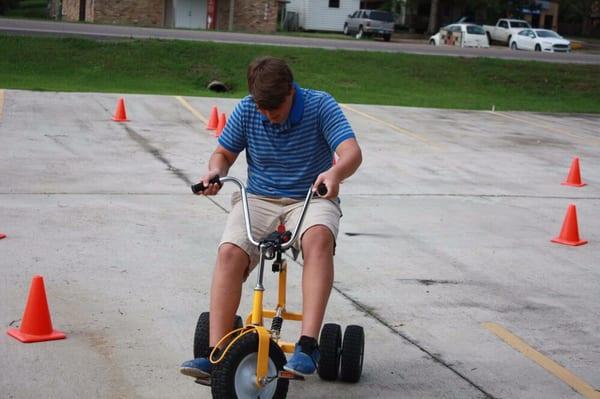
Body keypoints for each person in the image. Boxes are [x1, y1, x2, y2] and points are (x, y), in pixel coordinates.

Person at [180, 56, 362, 385]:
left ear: (291, 91)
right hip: (259, 198)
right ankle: (216, 355)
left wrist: (335, 173)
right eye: (262, 109)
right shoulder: (249, 108)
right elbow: (224, 153)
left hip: (310, 195)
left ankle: (308, 347)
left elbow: (351, 152)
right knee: (228, 252)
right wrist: (216, 171)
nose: (267, 116)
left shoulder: (321, 105)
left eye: (273, 110)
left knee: (319, 237)